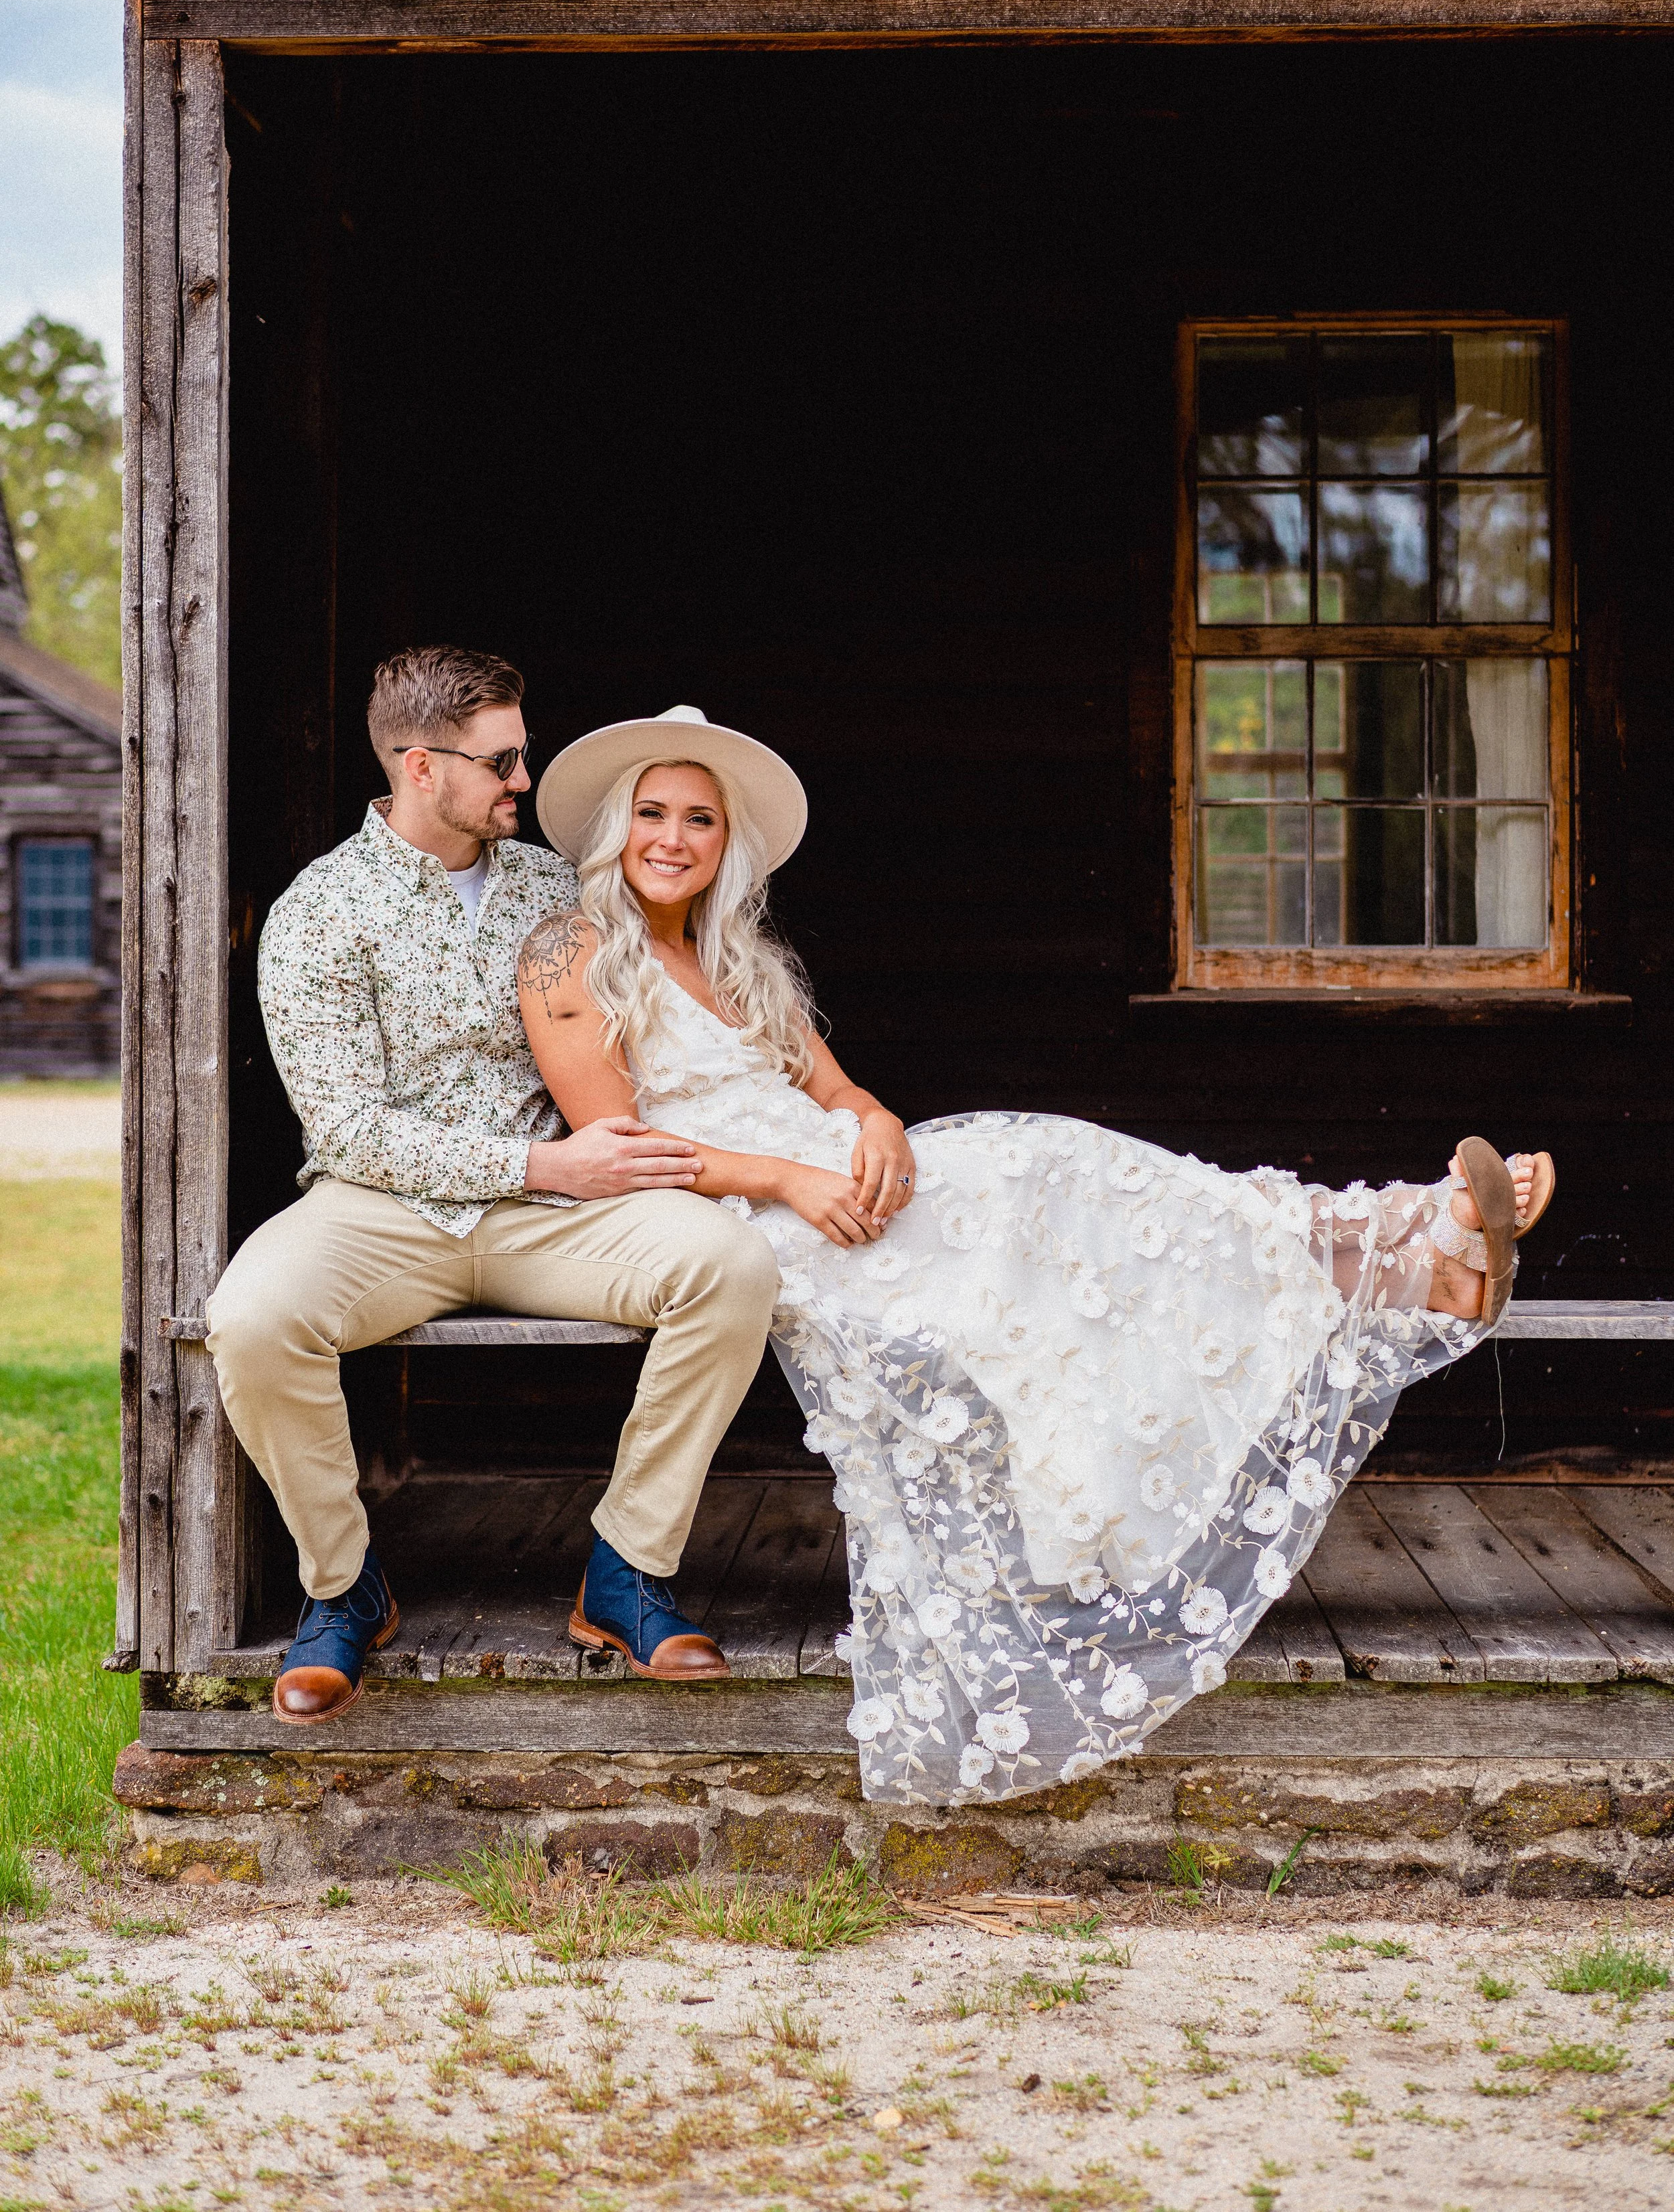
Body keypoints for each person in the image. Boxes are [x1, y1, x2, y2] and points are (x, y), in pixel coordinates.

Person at [518, 705, 1555, 1807]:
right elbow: (617, 1148)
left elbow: (836, 1090)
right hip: (763, 1215)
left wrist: (872, 1125)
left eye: (700, 819)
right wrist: (788, 1179)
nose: (673, 838)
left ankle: (1419, 1240)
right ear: (613, 827)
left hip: (850, 1178)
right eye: (652, 813)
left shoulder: (735, 956)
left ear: (727, 842)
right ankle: (1416, 1248)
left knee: (1083, 1182)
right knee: (1066, 1198)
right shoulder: (569, 952)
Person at [205, 650, 780, 1726]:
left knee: (731, 1265)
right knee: (250, 1316)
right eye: (503, 760)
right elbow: (349, 1127)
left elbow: (681, 1001)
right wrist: (541, 1162)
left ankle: (625, 1570)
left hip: (562, 1213)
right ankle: (341, 1587)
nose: (526, 779)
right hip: (380, 1210)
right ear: (422, 767)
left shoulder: (556, 885)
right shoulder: (318, 913)